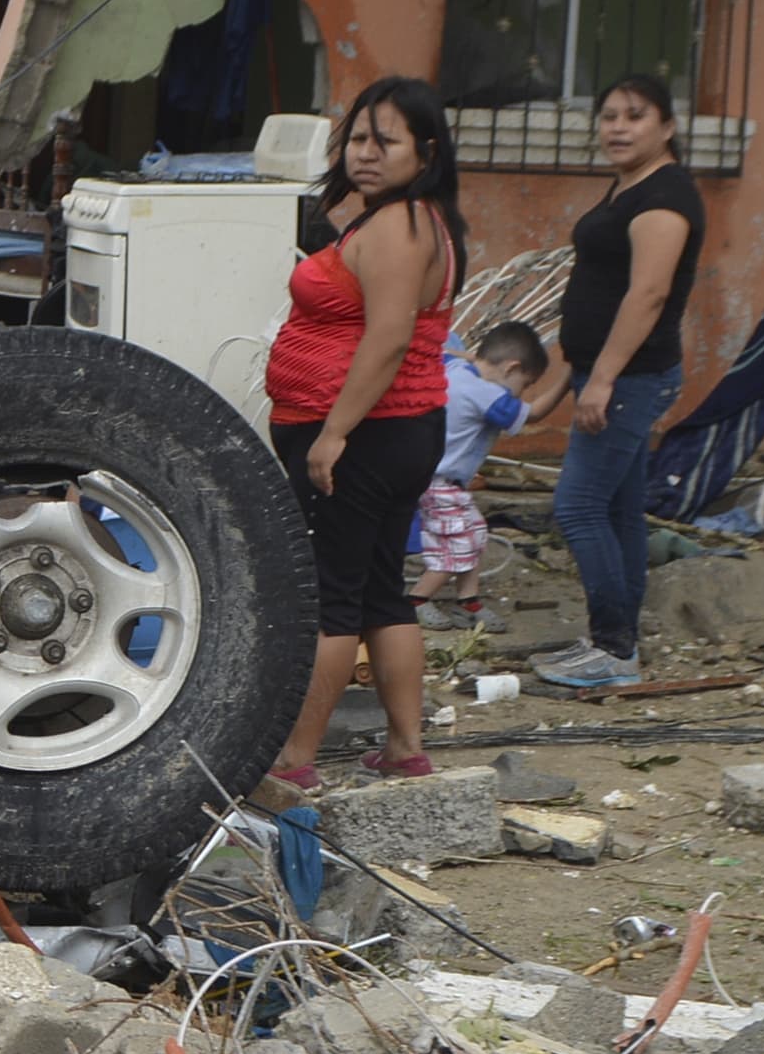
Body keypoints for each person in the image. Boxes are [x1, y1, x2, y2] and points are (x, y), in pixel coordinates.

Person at [262, 76, 464, 788]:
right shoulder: (412, 219)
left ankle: (295, 760)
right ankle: (405, 747)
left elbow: (386, 338)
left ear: (427, 150)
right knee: (381, 588)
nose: (366, 152)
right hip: (399, 430)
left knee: (331, 594)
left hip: (367, 433)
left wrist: (332, 434)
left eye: (387, 140)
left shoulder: (399, 226)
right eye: (358, 137)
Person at [529, 73, 706, 691]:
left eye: (634, 116)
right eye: (608, 115)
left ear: (668, 127)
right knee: (621, 509)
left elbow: (649, 293)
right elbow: (596, 293)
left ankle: (613, 649)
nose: (618, 127)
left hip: (631, 376)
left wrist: (601, 379)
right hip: (608, 373)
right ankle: (617, 642)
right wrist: (560, 384)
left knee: (577, 507)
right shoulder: (629, 186)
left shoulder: (665, 197)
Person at [414, 318, 546, 624]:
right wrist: (570, 379)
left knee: (474, 532)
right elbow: (535, 414)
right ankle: (417, 600)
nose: (521, 393)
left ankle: (468, 600)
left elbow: (445, 352)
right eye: (525, 384)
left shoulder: (457, 371)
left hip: (437, 480)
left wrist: (475, 357)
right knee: (455, 546)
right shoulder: (485, 394)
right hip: (440, 482)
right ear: (511, 368)